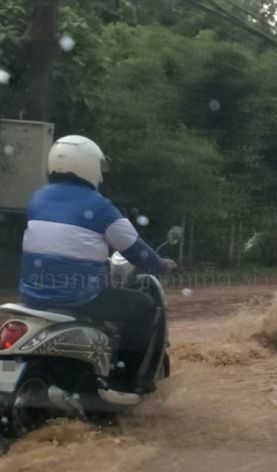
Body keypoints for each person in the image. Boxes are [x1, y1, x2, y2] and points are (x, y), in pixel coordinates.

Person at [19, 135, 177, 394]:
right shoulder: (99, 207)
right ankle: (128, 380)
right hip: (79, 297)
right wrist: (161, 265)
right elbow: (137, 251)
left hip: (32, 297)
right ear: (90, 167)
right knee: (145, 307)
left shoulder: (38, 199)